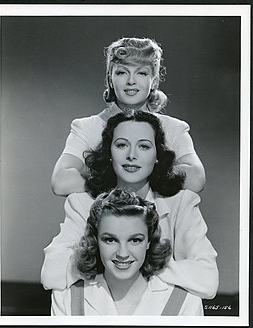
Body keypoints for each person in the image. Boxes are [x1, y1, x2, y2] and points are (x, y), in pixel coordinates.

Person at [41, 111, 218, 299]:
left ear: (158, 155)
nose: (132, 155)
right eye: (122, 145)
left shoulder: (182, 203)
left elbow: (207, 279)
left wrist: (132, 261)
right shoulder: (81, 202)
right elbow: (51, 273)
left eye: (143, 146)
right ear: (109, 152)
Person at [51, 37, 205, 196]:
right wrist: (129, 174)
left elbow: (197, 178)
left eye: (142, 73)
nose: (131, 81)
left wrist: (126, 172)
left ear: (154, 81)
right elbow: (61, 182)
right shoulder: (86, 127)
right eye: (122, 72)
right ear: (110, 79)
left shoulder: (174, 128)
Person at [51, 188, 204, 316]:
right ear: (96, 240)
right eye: (110, 240)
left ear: (149, 241)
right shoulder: (67, 298)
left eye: (135, 240)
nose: (122, 253)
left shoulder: (185, 302)